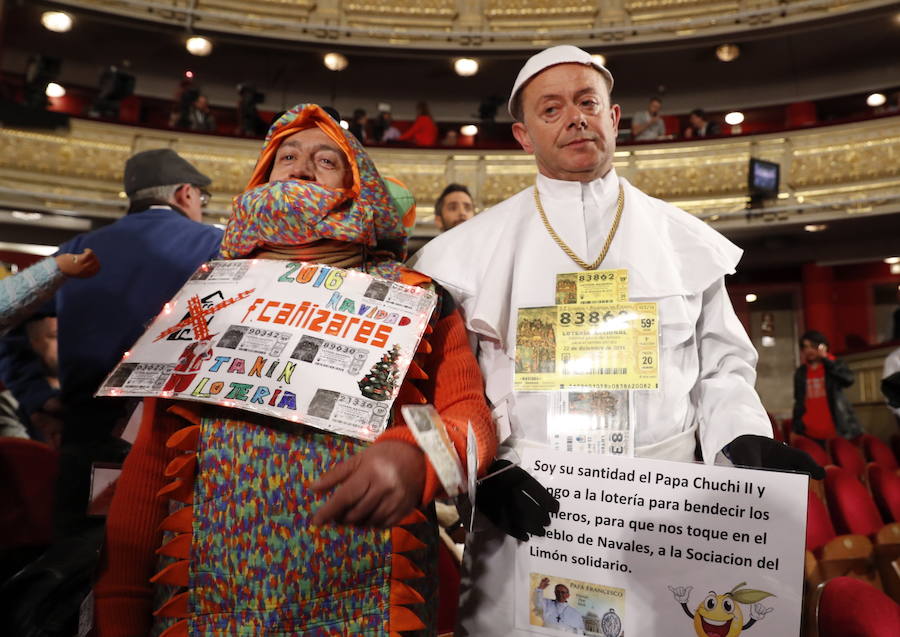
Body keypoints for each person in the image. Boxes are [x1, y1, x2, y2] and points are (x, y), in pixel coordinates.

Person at [409, 45, 821, 636]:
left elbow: (723, 369)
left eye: (587, 102)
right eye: (551, 109)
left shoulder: (682, 238)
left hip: (667, 507)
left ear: (615, 117)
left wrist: (743, 438)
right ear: (524, 136)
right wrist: (485, 474)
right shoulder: (464, 255)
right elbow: (449, 388)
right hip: (530, 508)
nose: (575, 117)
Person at [92, 103, 497, 635]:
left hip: (369, 601)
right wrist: (120, 606)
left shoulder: (415, 298)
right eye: (287, 155)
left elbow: (471, 419)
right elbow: (150, 467)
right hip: (207, 603)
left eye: (327, 160)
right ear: (264, 173)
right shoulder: (209, 296)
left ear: (360, 187)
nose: (302, 165)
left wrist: (421, 456)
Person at [0, 149, 223, 534]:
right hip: (182, 444)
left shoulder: (76, 250)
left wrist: (38, 398)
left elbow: (12, 328)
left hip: (86, 434)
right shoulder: (213, 245)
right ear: (185, 194)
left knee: (76, 564)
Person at [792, 330, 862, 442]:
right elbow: (798, 401)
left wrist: (826, 359)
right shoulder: (801, 372)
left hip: (836, 427)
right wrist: (795, 428)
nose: (809, 350)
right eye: (805, 347)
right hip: (809, 430)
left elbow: (848, 379)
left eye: (813, 346)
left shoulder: (834, 364)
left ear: (822, 346)